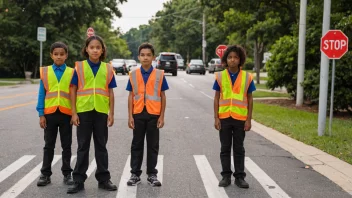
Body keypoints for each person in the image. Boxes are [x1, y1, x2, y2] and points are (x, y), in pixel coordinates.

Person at [67, 35, 117, 194]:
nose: (95, 50)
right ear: (86, 49)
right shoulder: (79, 67)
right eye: (92, 47)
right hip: (83, 112)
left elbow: (110, 91)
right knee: (83, 146)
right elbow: (73, 89)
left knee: (101, 146)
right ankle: (78, 180)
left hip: (101, 112)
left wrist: (111, 113)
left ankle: (103, 179)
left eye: (98, 47)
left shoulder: (108, 68)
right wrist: (73, 113)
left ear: (102, 50)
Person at [213, 45, 256, 188]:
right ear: (226, 59)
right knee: (225, 148)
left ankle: (239, 177)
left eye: (235, 57)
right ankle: (226, 176)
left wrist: (249, 119)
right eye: (230, 57)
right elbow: (216, 97)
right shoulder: (220, 76)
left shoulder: (247, 77)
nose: (232, 60)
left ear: (240, 60)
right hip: (224, 117)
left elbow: (250, 98)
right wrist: (216, 118)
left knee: (239, 148)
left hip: (240, 119)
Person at [126, 43, 168, 187]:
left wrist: (162, 116)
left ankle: (152, 174)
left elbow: (163, 96)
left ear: (153, 57)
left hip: (153, 115)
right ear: (138, 57)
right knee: (136, 144)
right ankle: (135, 174)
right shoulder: (133, 74)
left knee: (153, 145)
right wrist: (130, 116)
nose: (145, 57)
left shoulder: (159, 74)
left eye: (148, 55)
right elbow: (131, 95)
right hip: (137, 114)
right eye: (142, 55)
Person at [36, 41, 74, 186]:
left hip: (66, 114)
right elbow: (41, 94)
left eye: (62, 54)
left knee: (67, 145)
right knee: (48, 145)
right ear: (51, 55)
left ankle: (67, 174)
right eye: (56, 54)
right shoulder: (45, 72)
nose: (59, 57)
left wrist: (74, 114)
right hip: (50, 114)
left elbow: (74, 94)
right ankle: (45, 174)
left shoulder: (72, 72)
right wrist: (41, 114)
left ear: (66, 56)